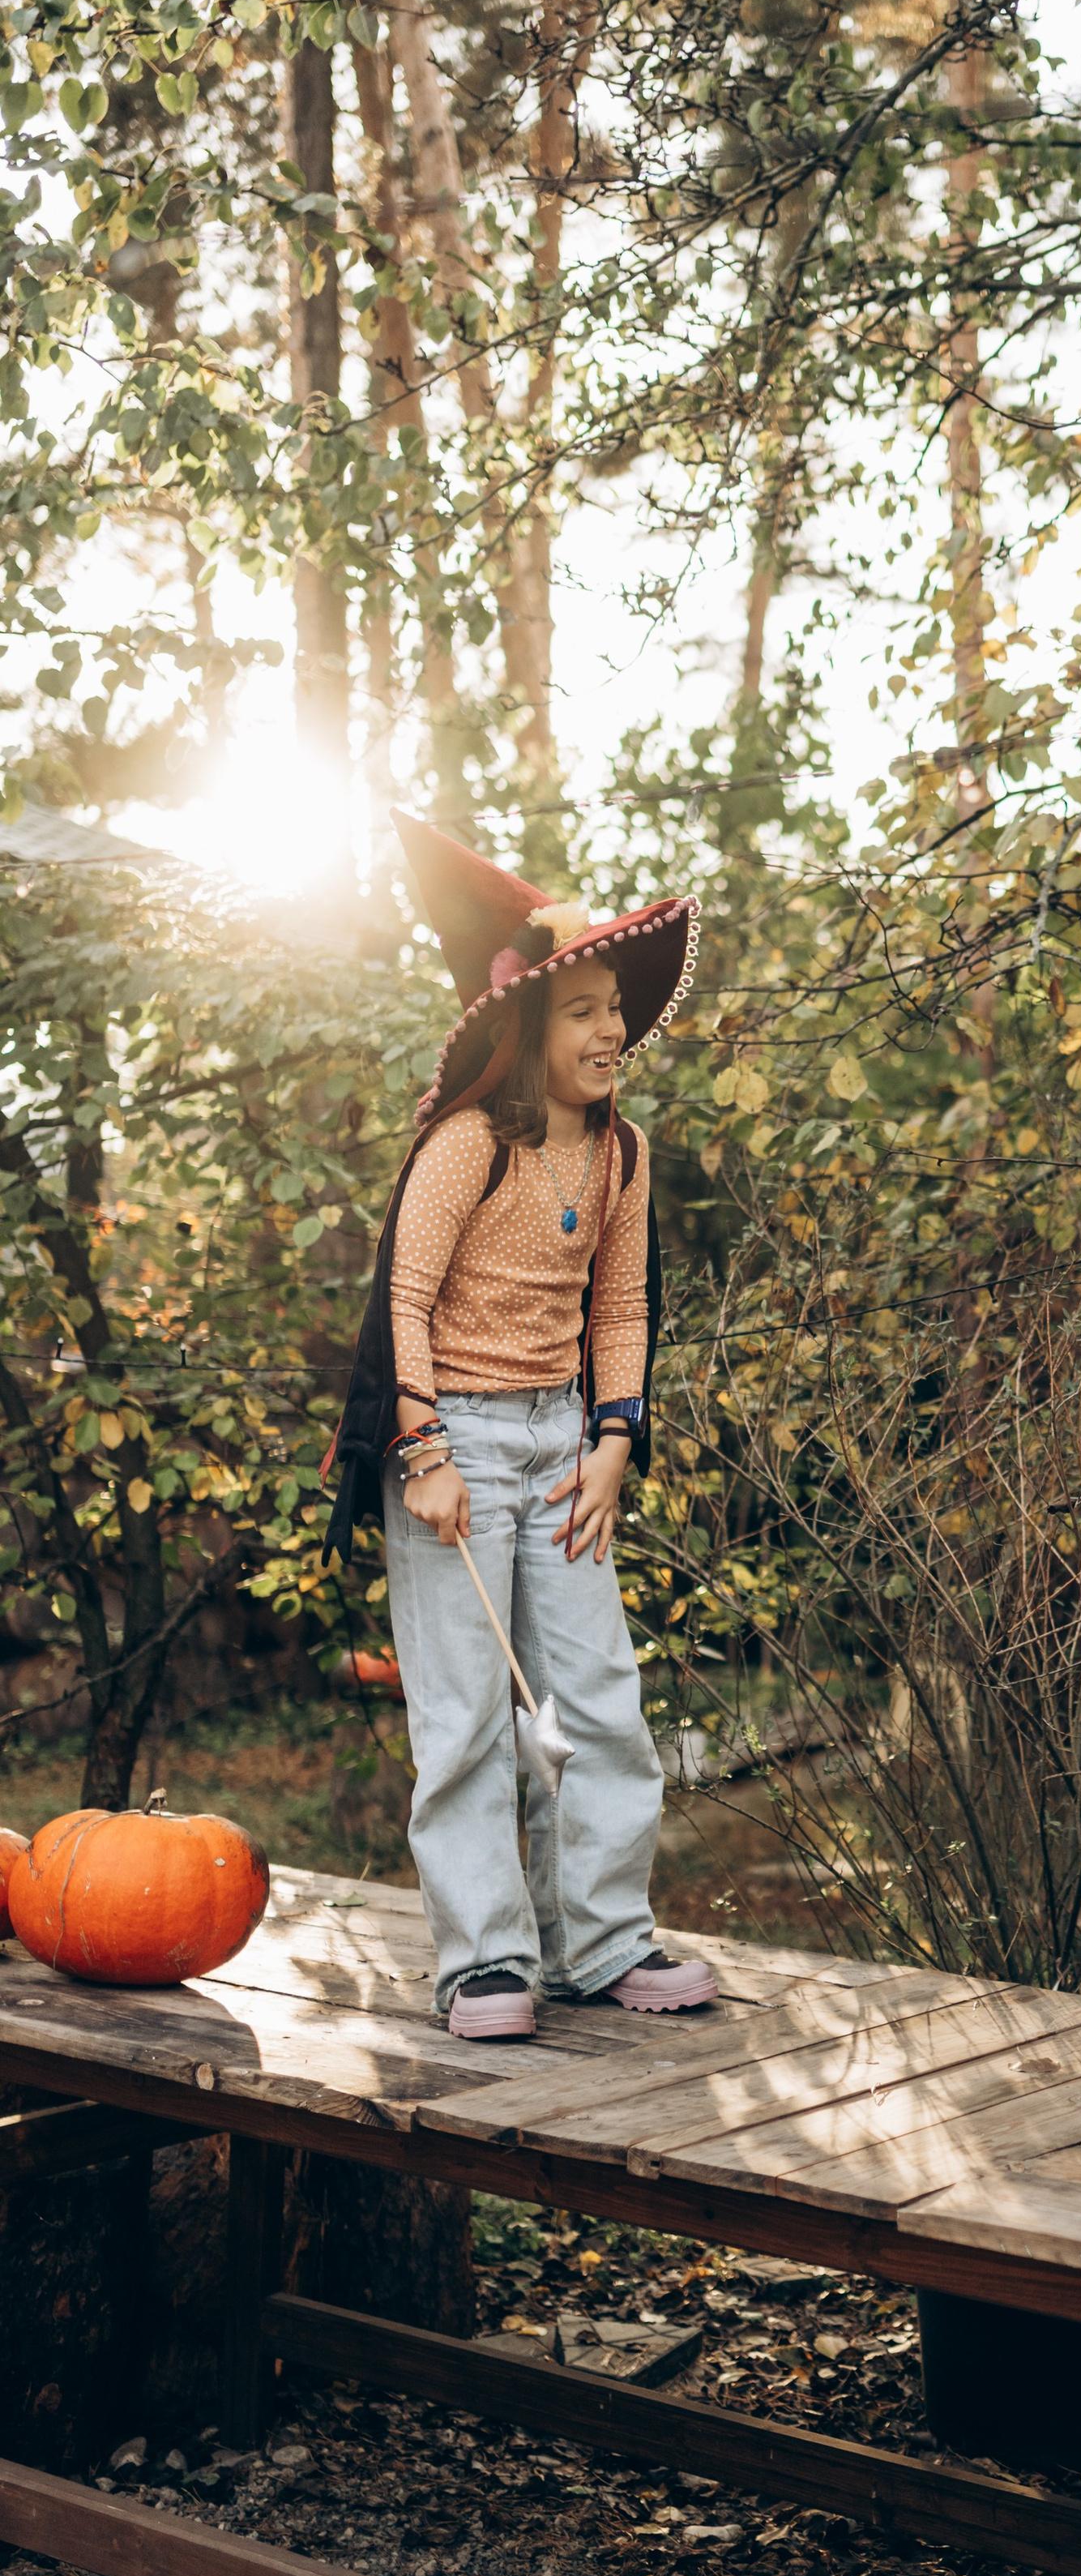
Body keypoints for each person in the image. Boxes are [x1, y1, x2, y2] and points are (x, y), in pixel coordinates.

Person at [323, 812, 715, 2042]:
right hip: (455, 1447)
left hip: (561, 1448)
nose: (611, 1032)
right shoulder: (464, 1147)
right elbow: (404, 1301)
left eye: (617, 1010)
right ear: (529, 1027)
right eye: (584, 1010)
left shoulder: (621, 1155)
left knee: (598, 1699)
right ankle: (486, 1960)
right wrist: (425, 1454)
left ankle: (601, 1941)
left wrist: (613, 1446)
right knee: (467, 1719)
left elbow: (622, 1307)